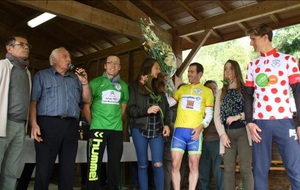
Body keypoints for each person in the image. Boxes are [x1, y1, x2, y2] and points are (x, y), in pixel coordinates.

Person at [244, 23, 300, 189]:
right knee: (260, 171)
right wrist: (249, 121)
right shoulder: (252, 65)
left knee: (295, 168)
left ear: (265, 37)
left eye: (253, 39)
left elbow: (298, 92)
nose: (251, 43)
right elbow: (247, 95)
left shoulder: (288, 60)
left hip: (285, 121)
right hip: (260, 124)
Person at [30, 47, 91, 190]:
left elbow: (86, 101)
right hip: (48, 124)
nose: (69, 59)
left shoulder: (75, 79)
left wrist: (84, 82)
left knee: (68, 167)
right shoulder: (42, 76)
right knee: (44, 166)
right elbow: (33, 102)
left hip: (71, 125)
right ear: (54, 60)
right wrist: (34, 124)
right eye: (65, 56)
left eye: (69, 56)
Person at [85, 54, 129, 190]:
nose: (113, 65)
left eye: (116, 63)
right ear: (105, 65)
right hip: (97, 129)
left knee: (114, 165)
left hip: (116, 130)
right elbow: (86, 106)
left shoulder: (124, 86)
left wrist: (113, 121)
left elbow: (123, 109)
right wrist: (93, 123)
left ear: (120, 67)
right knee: (94, 165)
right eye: (110, 62)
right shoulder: (95, 83)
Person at [127, 57, 170, 190]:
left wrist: (166, 124)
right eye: (156, 67)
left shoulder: (159, 86)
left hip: (157, 130)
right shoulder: (134, 86)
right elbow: (130, 110)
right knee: (143, 165)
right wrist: (147, 110)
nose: (158, 70)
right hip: (139, 129)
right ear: (148, 69)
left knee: (158, 164)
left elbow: (166, 109)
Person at [171, 62, 214, 190]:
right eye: (188, 71)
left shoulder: (207, 92)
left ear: (199, 74)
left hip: (195, 133)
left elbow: (209, 115)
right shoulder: (182, 89)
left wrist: (201, 126)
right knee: (174, 164)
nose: (189, 74)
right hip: (179, 132)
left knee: (194, 165)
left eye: (192, 72)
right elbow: (168, 103)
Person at [214, 60, 253, 190]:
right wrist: (222, 134)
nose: (228, 71)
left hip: (243, 132)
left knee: (245, 169)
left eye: (231, 68)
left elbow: (253, 110)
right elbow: (217, 116)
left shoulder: (245, 89)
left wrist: (239, 116)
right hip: (227, 134)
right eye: (225, 69)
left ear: (236, 70)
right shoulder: (220, 92)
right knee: (229, 170)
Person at [0, 36, 31, 190]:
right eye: (21, 44)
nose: (26, 47)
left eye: (27, 45)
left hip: (20, 126)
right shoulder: (2, 66)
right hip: (3, 124)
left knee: (12, 171)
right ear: (9, 48)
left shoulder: (26, 72)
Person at [198, 80, 224, 190]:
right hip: (202, 141)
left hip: (217, 141)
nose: (213, 90)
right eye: (209, 88)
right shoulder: (200, 103)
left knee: (219, 170)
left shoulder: (221, 103)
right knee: (202, 170)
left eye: (214, 88)